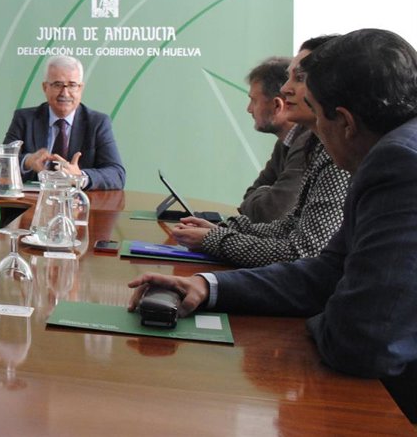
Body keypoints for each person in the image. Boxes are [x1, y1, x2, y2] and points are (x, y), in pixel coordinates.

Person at [129, 29, 417, 421]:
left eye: (317, 113)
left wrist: (322, 317)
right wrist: (207, 286)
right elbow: (326, 271)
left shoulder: (398, 163)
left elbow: (361, 341)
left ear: (346, 122)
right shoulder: (392, 152)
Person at [171, 37, 349, 267]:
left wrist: (215, 239)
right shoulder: (315, 144)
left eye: (300, 78)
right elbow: (288, 225)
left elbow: (302, 251)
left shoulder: (337, 153)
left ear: (330, 84)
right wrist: (222, 230)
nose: (285, 89)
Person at [2, 55, 125, 189]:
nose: (65, 93)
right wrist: (27, 162)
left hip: (78, 201)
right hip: (33, 200)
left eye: (72, 85)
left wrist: (80, 177)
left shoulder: (97, 123)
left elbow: (117, 174)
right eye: (57, 85)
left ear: (80, 88)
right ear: (45, 87)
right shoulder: (25, 119)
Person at [238, 56, 312, 222]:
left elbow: (271, 213)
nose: (249, 109)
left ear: (278, 105)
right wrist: (265, 193)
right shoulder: (284, 143)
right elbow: (248, 197)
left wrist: (264, 192)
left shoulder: (307, 143)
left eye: (253, 101)